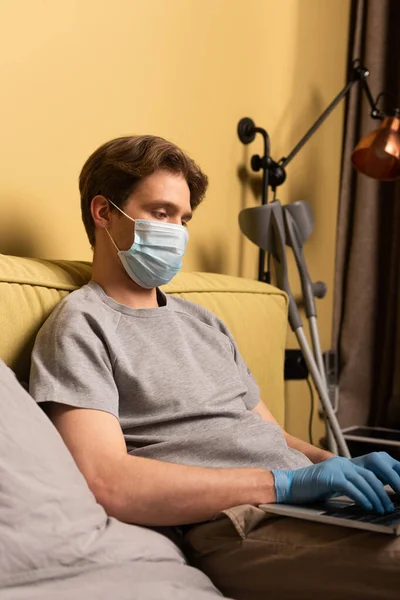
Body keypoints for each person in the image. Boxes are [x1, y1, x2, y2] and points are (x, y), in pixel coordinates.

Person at [30, 135, 400, 600]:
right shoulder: (80, 326)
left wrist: (340, 465)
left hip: (311, 506)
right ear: (103, 213)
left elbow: (274, 436)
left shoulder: (204, 322)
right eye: (161, 213)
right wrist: (284, 484)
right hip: (237, 523)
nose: (178, 231)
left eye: (184, 219)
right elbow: (107, 481)